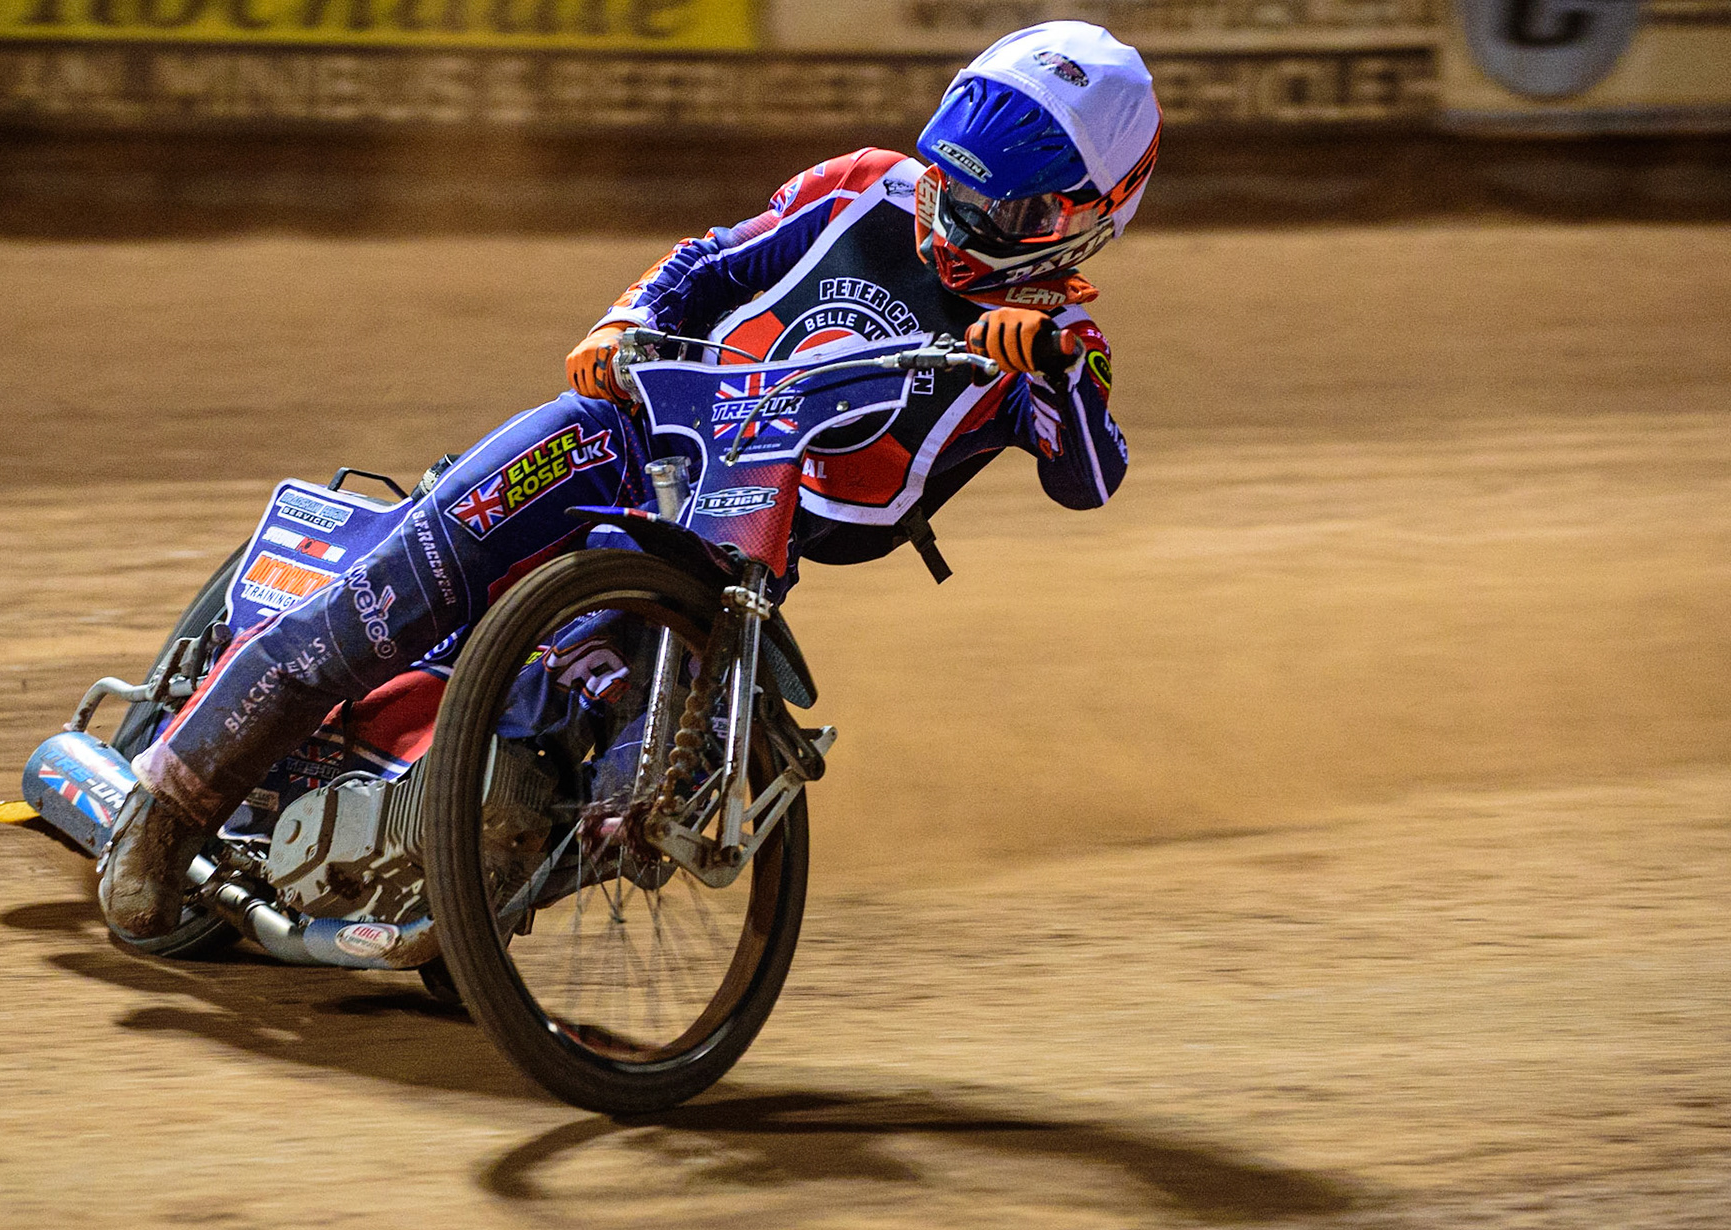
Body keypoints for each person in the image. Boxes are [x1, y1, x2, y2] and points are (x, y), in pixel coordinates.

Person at [100, 20, 1161, 937]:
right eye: (951, 186)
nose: (959, 223)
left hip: (742, 548)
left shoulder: (1063, 340)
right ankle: (168, 809)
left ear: (1093, 215)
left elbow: (1092, 482)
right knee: (392, 598)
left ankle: (474, 895)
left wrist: (1056, 367)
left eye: (1006, 215)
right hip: (623, 437)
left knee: (651, 786)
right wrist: (627, 321)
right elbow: (710, 262)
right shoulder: (858, 189)